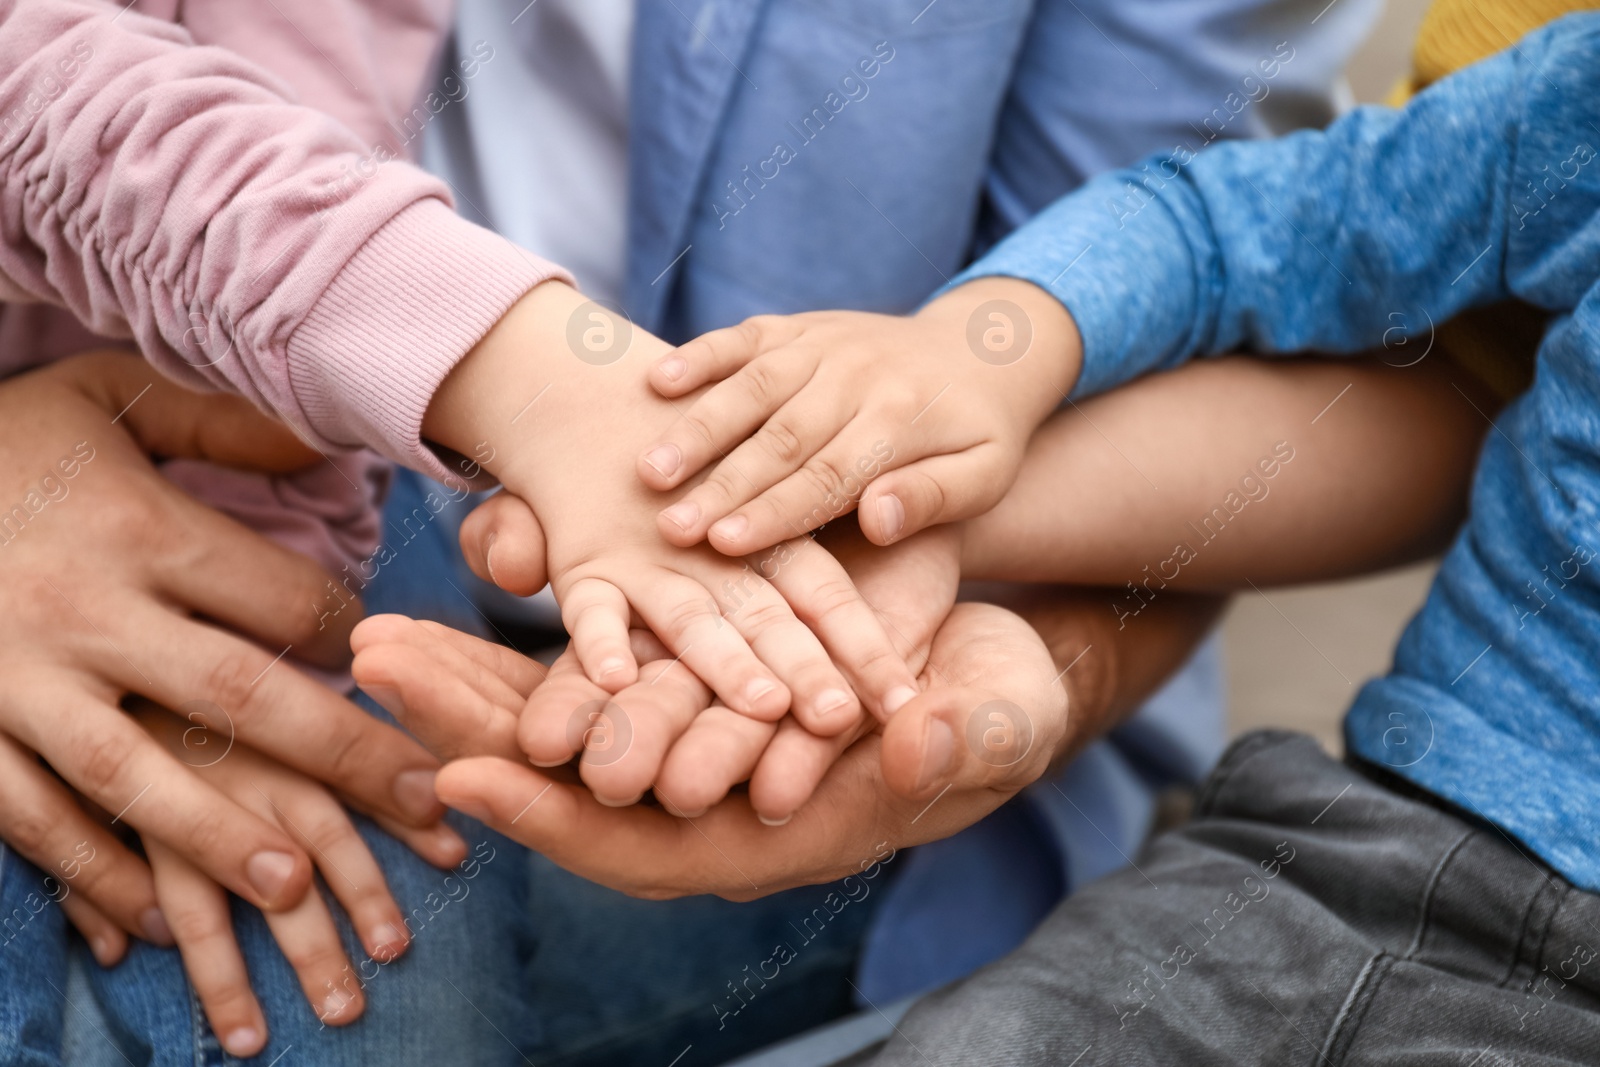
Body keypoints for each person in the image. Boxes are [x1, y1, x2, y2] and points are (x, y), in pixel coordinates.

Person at [383, 11, 1600, 1063]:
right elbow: (1282, 235)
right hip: (1351, 838)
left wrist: (916, 527)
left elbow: (1428, 360)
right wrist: (965, 373)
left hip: (941, 719)